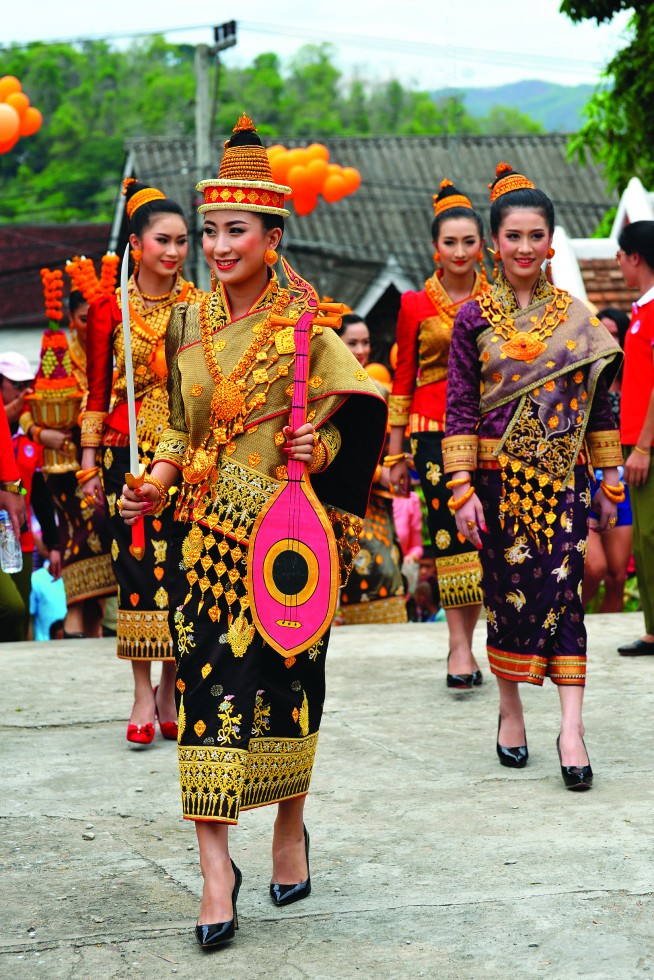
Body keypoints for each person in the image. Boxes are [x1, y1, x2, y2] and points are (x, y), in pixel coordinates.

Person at [119, 114, 387, 948]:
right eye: (210, 231)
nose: (217, 245)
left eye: (236, 230)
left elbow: (361, 410)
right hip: (202, 545)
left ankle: (286, 831)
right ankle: (212, 875)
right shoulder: (184, 323)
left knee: (287, 696)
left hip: (288, 547)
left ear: (273, 234)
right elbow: (175, 429)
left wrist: (324, 442)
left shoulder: (308, 322)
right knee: (205, 706)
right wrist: (151, 485)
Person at [444, 162, 623, 791]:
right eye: (513, 236)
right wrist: (461, 489)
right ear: (496, 242)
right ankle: (511, 708)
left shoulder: (577, 319)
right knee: (507, 600)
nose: (524, 248)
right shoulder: (471, 319)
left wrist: (609, 480)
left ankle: (571, 730)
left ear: (551, 241)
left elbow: (601, 404)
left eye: (536, 236)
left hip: (562, 487)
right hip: (495, 488)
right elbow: (460, 405)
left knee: (566, 599)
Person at [80, 180, 204, 744]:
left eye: (182, 241)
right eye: (163, 240)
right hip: (123, 454)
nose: (174, 252)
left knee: (181, 569)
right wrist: (86, 462)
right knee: (133, 571)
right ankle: (139, 689)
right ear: (136, 244)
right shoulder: (109, 308)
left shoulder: (203, 306)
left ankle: (171, 684)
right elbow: (98, 391)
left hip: (186, 458)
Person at [387, 178, 488, 689]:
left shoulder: (500, 301)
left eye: (469, 241)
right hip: (431, 430)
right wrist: (395, 452)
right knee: (448, 535)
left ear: (482, 245)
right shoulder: (413, 304)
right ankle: (459, 647)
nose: (460, 252)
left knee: (486, 535)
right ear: (435, 248)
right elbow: (402, 375)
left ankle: (481, 643)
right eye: (450, 242)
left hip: (490, 428)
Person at [20, 288, 117, 638]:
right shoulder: (59, 355)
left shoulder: (110, 351)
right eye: (83, 319)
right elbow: (29, 409)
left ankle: (88, 628)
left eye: (96, 318)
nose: (90, 325)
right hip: (65, 467)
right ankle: (75, 620)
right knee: (86, 527)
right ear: (71, 320)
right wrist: (41, 434)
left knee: (101, 530)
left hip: (103, 462)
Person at [337, 315, 406, 623]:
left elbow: (399, 452)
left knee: (385, 573)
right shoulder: (323, 390)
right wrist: (380, 473)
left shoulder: (382, 391)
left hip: (375, 506)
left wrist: (390, 471)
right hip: (334, 500)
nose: (362, 350)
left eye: (366, 342)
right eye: (352, 342)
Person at [0, 352, 61, 641]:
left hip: (19, 539)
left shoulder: (30, 437)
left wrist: (54, 543)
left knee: (20, 616)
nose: (26, 390)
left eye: (28, 383)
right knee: (10, 607)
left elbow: (38, 494)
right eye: (17, 384)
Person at [614, 222, 654, 655]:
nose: (619, 265)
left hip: (649, 443)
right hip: (638, 441)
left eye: (621, 257)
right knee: (645, 538)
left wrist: (643, 445)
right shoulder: (641, 310)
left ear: (635, 257)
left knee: (651, 536)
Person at [582, 307, 633, 613]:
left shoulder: (634, 381)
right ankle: (571, 624)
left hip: (625, 480)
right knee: (593, 568)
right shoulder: (583, 377)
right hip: (587, 479)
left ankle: (605, 640)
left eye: (616, 334)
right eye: (604, 332)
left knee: (616, 576)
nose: (609, 339)